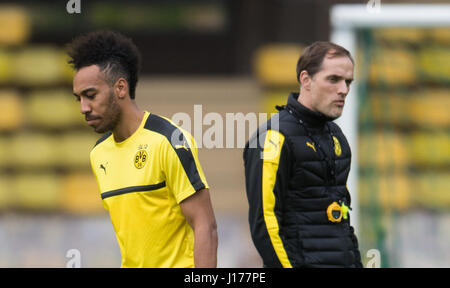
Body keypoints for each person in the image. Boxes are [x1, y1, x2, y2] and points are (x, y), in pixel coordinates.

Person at [67, 30, 217, 268]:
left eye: (91, 95)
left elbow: (205, 225)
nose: (84, 107)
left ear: (120, 88)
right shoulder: (98, 155)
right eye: (79, 99)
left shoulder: (169, 140)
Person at [243, 41, 362, 268]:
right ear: (305, 80)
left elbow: (341, 219)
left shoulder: (336, 136)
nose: (344, 90)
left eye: (348, 82)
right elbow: (265, 224)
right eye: (334, 79)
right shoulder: (272, 137)